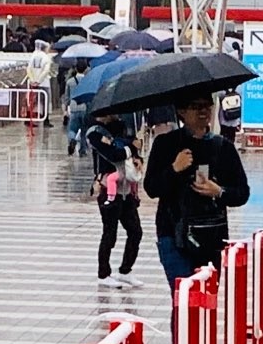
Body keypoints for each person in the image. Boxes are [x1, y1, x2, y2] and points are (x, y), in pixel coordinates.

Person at [141, 94, 250, 284]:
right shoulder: (165, 144)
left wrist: (219, 192)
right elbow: (152, 188)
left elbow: (242, 193)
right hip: (173, 234)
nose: (203, 111)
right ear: (181, 111)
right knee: (183, 300)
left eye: (207, 106)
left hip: (211, 236)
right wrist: (174, 169)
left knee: (206, 304)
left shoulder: (224, 147)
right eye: (196, 106)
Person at [90, 112, 143, 278]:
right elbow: (113, 154)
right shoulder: (95, 133)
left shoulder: (123, 127)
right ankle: (104, 274)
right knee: (110, 234)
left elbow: (130, 152)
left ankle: (126, 270)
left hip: (127, 189)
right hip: (108, 188)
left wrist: (137, 156)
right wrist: (132, 148)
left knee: (135, 232)